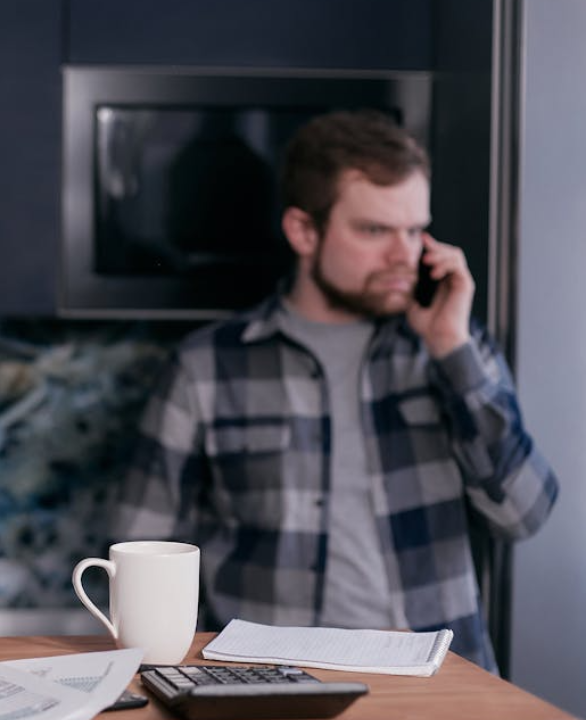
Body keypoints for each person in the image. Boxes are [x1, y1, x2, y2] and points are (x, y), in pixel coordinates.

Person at [115, 110, 557, 672]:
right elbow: (137, 558)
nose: (406, 255)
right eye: (375, 230)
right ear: (304, 231)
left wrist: (453, 353)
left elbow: (523, 514)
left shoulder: (454, 348)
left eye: (416, 229)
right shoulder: (207, 367)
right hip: (267, 686)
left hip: (439, 688)